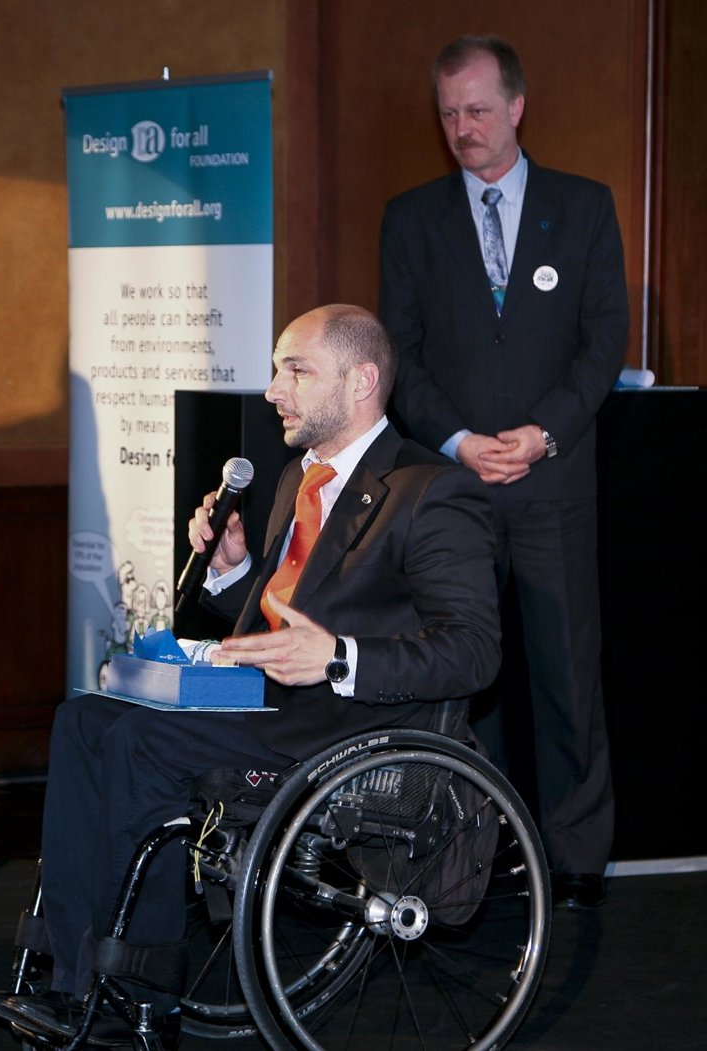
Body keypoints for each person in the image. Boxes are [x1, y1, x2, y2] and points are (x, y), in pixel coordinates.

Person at [0, 304, 500, 1048]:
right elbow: (285, 615)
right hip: (260, 701)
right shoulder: (295, 479)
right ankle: (65, 971)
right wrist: (234, 572)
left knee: (140, 745)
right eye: (277, 370)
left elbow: (473, 650)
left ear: (361, 382)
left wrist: (339, 655)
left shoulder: (430, 491)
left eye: (296, 371)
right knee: (82, 719)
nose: (273, 390)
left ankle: (140, 996)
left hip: (342, 725)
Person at [378, 36, 627, 910]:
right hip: (452, 490)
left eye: (478, 110)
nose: (462, 128)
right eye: (448, 113)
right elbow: (398, 355)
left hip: (552, 479)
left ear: (517, 107)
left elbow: (604, 340)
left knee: (566, 675)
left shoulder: (584, 206)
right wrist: (456, 440)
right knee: (461, 681)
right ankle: (468, 857)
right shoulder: (411, 218)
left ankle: (577, 856)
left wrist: (543, 433)